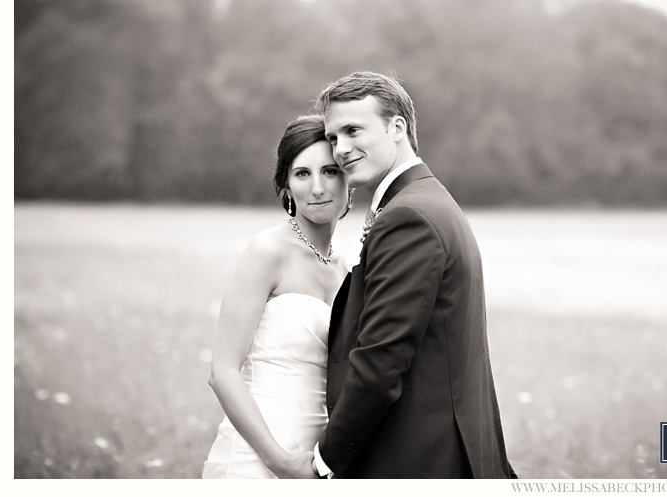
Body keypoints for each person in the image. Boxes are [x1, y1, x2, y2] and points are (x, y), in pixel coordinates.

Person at [309, 71, 515, 478]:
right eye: (333, 138)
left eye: (353, 130)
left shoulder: (409, 216)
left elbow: (381, 361)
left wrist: (326, 460)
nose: (341, 149)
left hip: (422, 460)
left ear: (397, 127)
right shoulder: (424, 199)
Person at [203, 115, 350, 478]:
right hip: (259, 455)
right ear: (286, 184)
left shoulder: (348, 268)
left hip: (319, 460)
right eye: (302, 174)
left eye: (330, 171)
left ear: (350, 178)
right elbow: (222, 372)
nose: (317, 187)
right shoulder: (268, 251)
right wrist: (278, 460)